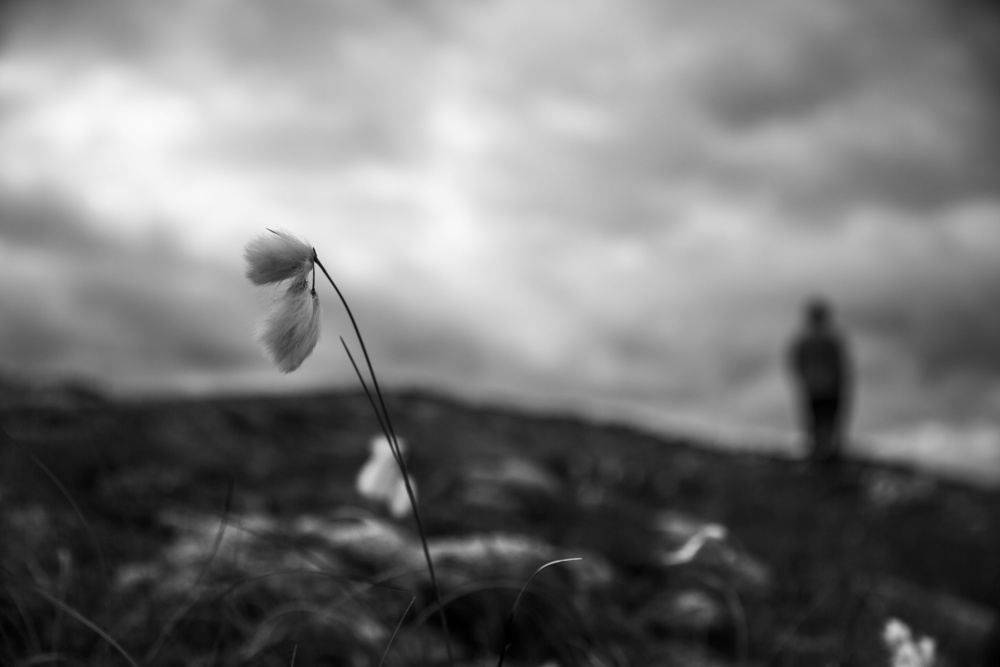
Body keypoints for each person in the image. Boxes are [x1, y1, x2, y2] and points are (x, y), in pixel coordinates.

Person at [787, 298, 852, 464]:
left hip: (812, 387)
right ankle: (830, 453)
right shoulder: (831, 338)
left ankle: (817, 453)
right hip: (830, 387)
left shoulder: (803, 339)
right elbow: (841, 365)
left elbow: (795, 363)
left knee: (815, 421)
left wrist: (804, 379)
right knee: (830, 420)